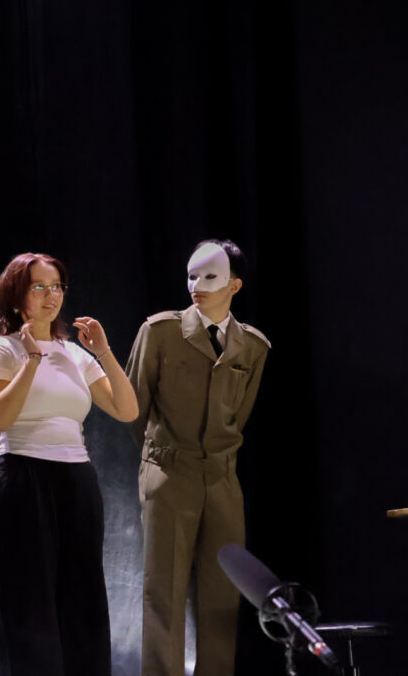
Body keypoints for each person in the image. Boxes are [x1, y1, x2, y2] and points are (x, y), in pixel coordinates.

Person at [0, 253, 138, 676]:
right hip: (21, 474)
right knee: (29, 596)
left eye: (57, 287)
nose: (50, 296)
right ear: (18, 295)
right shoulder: (4, 348)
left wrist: (103, 353)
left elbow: (127, 410)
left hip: (75, 476)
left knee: (84, 594)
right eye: (39, 287)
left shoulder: (75, 354)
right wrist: (31, 359)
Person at [126, 239, 271, 676]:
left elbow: (239, 416)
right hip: (170, 472)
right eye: (192, 276)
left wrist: (217, 457)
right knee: (163, 592)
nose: (197, 286)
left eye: (210, 277)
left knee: (223, 596)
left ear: (234, 285)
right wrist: (159, 459)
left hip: (222, 478)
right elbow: (133, 408)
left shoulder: (253, 346)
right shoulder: (160, 332)